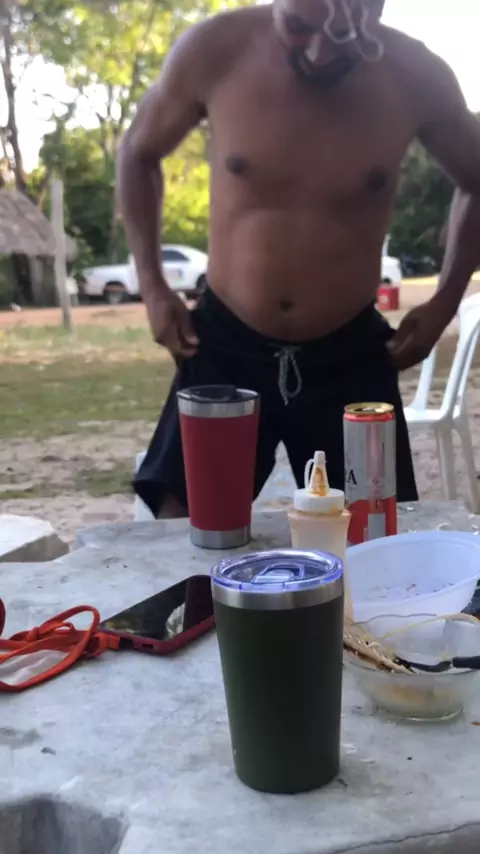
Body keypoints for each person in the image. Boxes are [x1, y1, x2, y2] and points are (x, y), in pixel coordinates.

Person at [118, 0, 480, 519]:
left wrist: (444, 303)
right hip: (225, 341)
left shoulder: (415, 75)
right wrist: (152, 285)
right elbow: (138, 152)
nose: (319, 52)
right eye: (299, 27)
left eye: (345, 36)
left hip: (349, 354)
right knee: (186, 521)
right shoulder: (217, 49)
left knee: (373, 529)